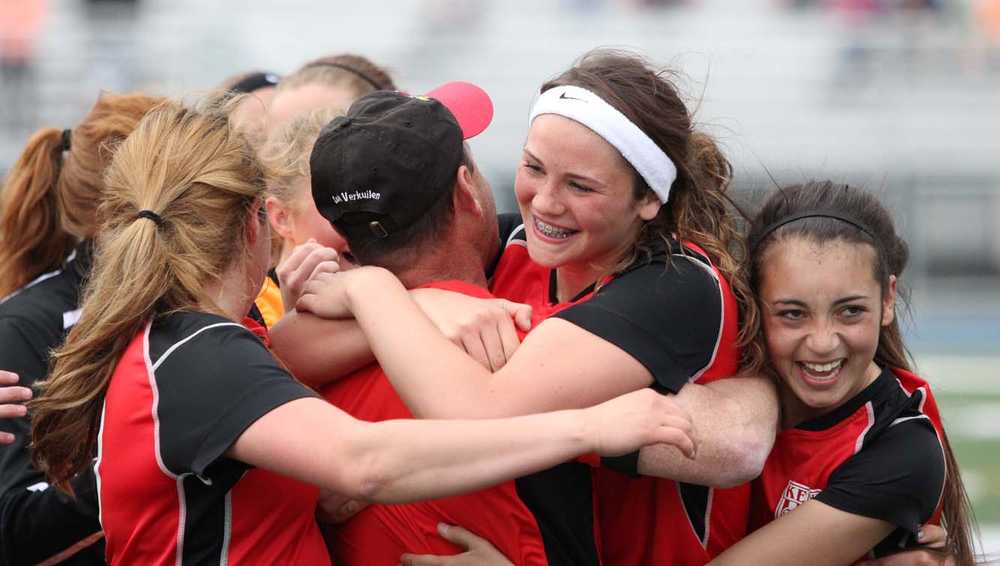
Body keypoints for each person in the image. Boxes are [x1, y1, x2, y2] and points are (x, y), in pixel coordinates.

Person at [27, 96, 697, 566]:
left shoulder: (209, 342)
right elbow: (366, 462)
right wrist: (589, 427)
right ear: (262, 221)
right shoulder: (200, 351)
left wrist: (391, 300)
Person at [283, 49, 779, 565]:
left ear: (649, 199)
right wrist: (424, 301)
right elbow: (294, 346)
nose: (544, 202)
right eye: (533, 168)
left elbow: (479, 416)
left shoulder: (675, 286)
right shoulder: (518, 246)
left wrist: (373, 293)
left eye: (580, 186)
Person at [707, 181, 979, 565]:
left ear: (887, 300)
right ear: (754, 304)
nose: (822, 342)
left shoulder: (904, 450)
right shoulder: (719, 379)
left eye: (850, 311)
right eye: (792, 313)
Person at [0, 91, 162, 565]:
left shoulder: (215, 302)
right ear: (119, 210)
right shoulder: (26, 325)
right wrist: (147, 456)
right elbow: (14, 524)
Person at [253, 53, 396, 327]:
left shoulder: (422, 272)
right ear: (280, 215)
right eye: (278, 136)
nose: (293, 143)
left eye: (337, 124)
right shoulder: (243, 308)